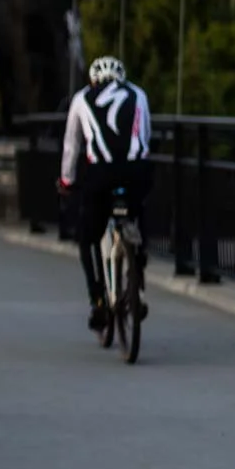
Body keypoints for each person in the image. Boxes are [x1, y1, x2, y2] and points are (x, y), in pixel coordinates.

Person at [59, 54, 152, 331]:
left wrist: (66, 181)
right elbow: (145, 135)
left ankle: (98, 301)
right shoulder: (138, 94)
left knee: (87, 238)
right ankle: (137, 281)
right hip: (136, 171)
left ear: (93, 80)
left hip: (101, 175)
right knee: (138, 211)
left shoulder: (81, 99)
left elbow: (71, 146)